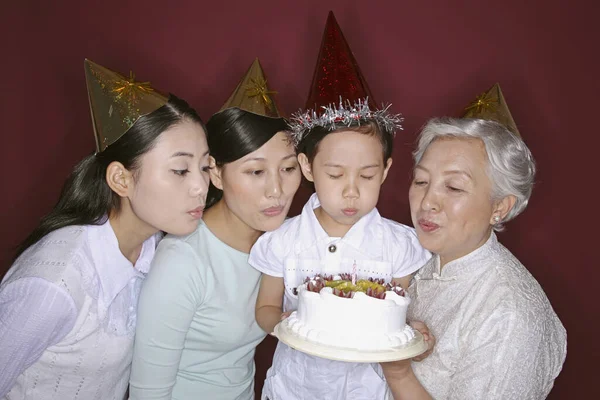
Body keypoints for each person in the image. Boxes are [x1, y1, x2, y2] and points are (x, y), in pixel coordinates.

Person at [0, 59, 210, 399]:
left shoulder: (155, 244)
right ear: (121, 179)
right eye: (180, 170)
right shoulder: (53, 287)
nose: (201, 186)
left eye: (204, 166)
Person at [129, 59, 302, 400]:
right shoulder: (184, 260)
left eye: (288, 168)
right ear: (216, 174)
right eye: (255, 172)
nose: (277, 190)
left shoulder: (284, 245)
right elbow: (147, 393)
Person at [249, 98, 432, 400]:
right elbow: (265, 308)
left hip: (367, 390)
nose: (351, 191)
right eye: (335, 175)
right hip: (294, 388)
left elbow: (396, 314)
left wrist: (414, 329)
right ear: (307, 166)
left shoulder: (399, 246)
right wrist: (282, 324)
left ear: (386, 170)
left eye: (367, 176)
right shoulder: (282, 240)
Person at [381, 117, 567, 400]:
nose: (427, 201)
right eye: (421, 181)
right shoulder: (416, 258)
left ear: (500, 206)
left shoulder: (507, 315)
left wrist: (398, 371)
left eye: (454, 187)